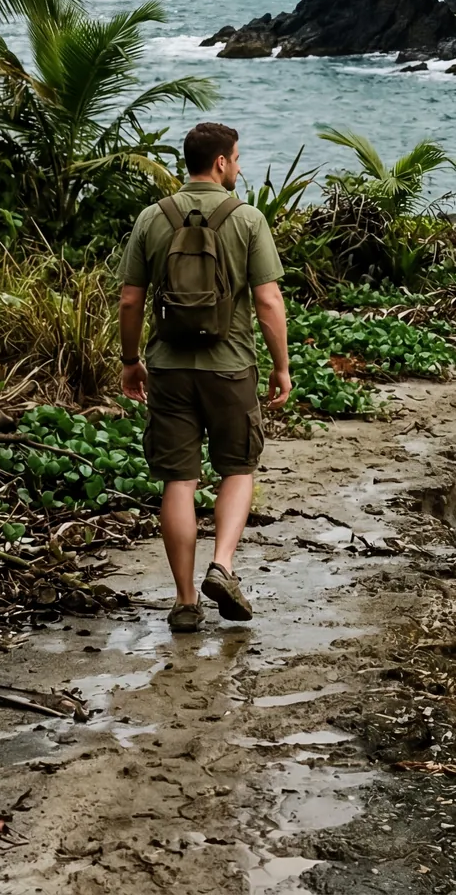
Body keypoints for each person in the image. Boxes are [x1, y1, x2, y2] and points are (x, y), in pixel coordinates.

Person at [118, 122, 293, 632]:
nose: (238, 165)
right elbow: (267, 300)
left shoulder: (154, 217)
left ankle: (184, 599)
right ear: (220, 163)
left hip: (169, 368)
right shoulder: (247, 219)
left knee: (179, 479)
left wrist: (131, 360)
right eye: (236, 158)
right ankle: (223, 565)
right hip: (231, 365)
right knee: (237, 468)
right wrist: (281, 365)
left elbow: (131, 298)